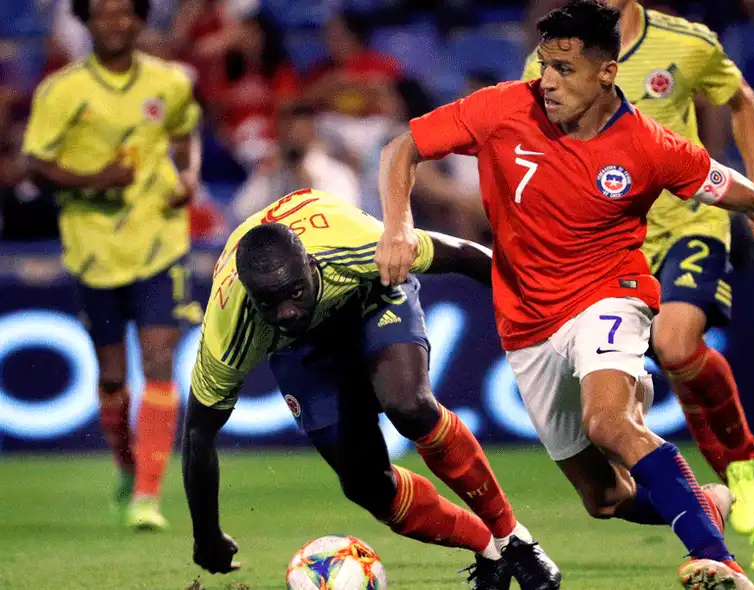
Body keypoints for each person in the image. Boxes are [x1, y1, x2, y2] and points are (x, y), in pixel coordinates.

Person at [376, 1, 754, 588]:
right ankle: (722, 501)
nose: (548, 82)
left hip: (610, 296)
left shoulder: (652, 147)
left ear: (606, 73)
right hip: (525, 323)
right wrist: (398, 225)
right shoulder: (506, 105)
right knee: (605, 499)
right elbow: (401, 148)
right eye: (545, 67)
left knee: (610, 422)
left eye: (565, 70)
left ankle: (719, 562)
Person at [521, 0, 754, 570]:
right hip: (611, 248)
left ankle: (744, 471)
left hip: (690, 221)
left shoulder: (688, 43)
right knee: (614, 435)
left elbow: (740, 99)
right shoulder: (550, 63)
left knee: (674, 345)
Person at [181, 188, 561, 590]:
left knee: (410, 406)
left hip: (370, 299)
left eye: (293, 293)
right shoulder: (229, 326)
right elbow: (197, 436)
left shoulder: (356, 245)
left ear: (311, 266)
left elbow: (466, 255)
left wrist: (548, 304)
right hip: (302, 351)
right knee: (367, 485)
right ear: (249, 294)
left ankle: (514, 538)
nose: (286, 312)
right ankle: (490, 550)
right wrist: (206, 534)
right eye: (269, 303)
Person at [21, 0, 203, 530]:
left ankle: (148, 495)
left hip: (158, 242)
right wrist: (93, 181)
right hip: (93, 248)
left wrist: (187, 179)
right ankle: (127, 467)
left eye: (125, 13)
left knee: (158, 358)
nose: (115, 23)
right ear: (85, 20)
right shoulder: (62, 91)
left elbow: (185, 135)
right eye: (103, 13)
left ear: (140, 19)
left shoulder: (169, 82)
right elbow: (34, 162)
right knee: (113, 378)